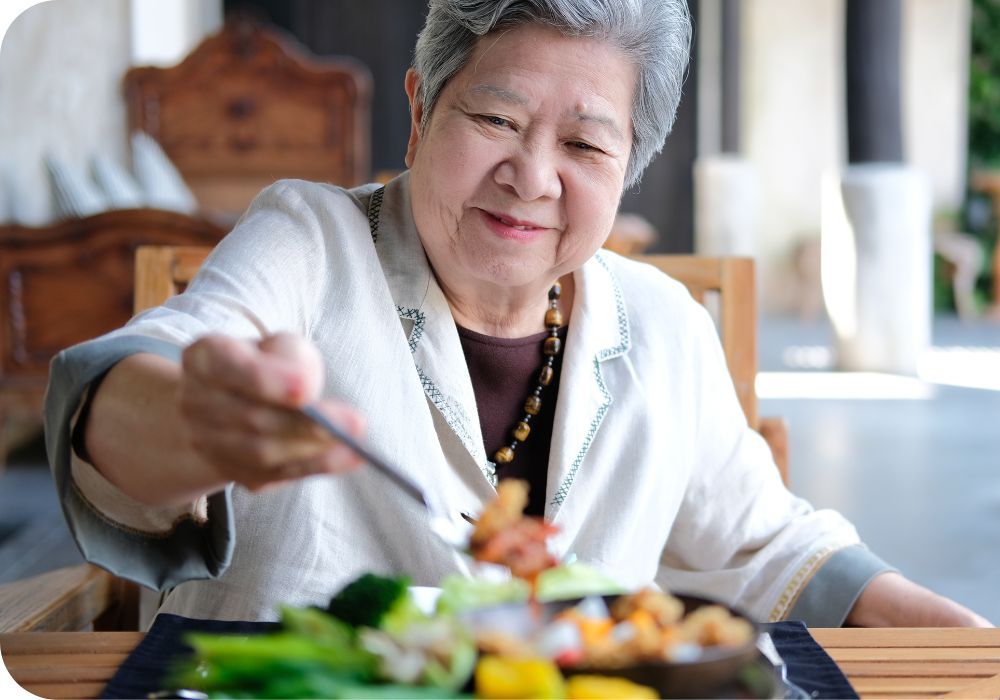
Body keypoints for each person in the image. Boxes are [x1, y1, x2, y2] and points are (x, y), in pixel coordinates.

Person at [46, 0, 988, 628]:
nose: (532, 178)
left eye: (584, 142)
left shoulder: (664, 328)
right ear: (421, 114)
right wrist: (197, 424)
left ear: (627, 170)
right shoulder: (309, 241)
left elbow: (768, 544)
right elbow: (127, 396)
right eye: (495, 120)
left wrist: (961, 639)